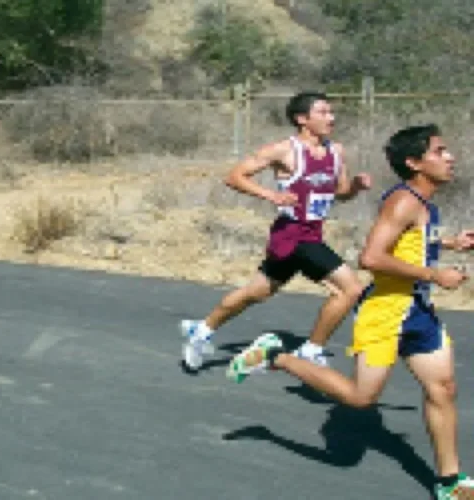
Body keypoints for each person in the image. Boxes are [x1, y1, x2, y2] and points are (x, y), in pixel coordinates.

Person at [227, 124, 474, 499]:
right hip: (384, 313)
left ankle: (449, 482)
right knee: (361, 400)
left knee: (443, 389)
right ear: (414, 163)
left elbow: (412, 240)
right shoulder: (403, 201)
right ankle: (277, 357)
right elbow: (371, 257)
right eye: (440, 151)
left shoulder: (424, 204)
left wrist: (450, 243)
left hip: (418, 310)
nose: (450, 157)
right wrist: (433, 273)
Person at [180, 91, 371, 370]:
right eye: (323, 112)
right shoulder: (284, 150)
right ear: (302, 119)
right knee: (350, 289)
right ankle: (311, 350)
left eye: (331, 112)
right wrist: (272, 195)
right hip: (292, 234)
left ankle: (202, 330)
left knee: (256, 293)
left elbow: (340, 192)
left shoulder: (336, 151)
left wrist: (354, 187)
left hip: (312, 234)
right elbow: (234, 176)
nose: (331, 118)